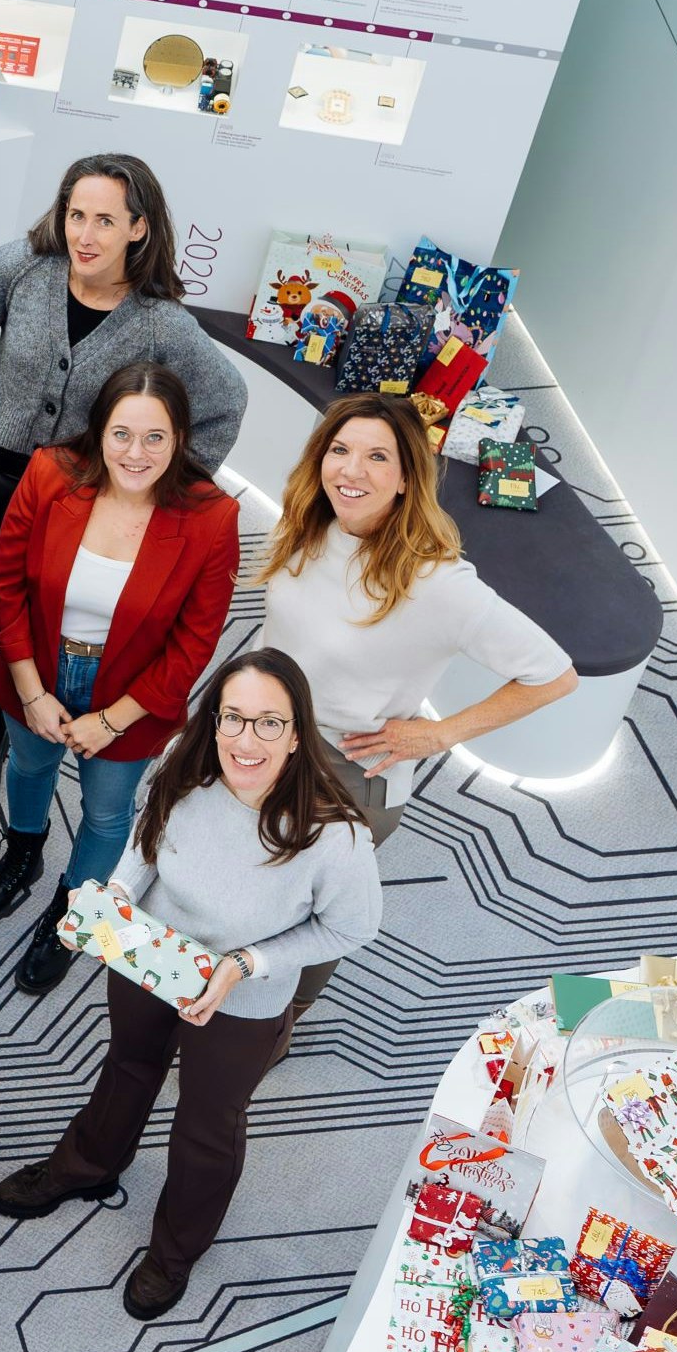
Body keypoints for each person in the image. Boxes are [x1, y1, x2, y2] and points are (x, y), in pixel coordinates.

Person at [0, 649, 381, 1322]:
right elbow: (145, 843)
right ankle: (88, 1165)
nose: (245, 740)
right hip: (150, 954)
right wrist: (112, 900)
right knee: (128, 1065)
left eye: (268, 723)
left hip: (241, 997)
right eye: (234, 718)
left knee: (207, 1124)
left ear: (296, 732)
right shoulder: (182, 763)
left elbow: (352, 928)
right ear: (215, 719)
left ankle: (175, 1250)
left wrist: (248, 962)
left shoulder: (332, 834)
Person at [0, 152, 251, 812]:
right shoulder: (24, 267)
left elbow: (224, 401)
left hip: (67, 497)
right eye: (77, 214)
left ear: (139, 228)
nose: (86, 234)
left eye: (106, 219)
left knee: (25, 609)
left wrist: (163, 486)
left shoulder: (162, 325)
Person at [257, 394, 576, 1035]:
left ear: (407, 479)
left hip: (345, 770)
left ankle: (283, 1020)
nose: (352, 469)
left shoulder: (438, 584)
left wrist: (440, 733)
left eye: (378, 457)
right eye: (341, 450)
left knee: (310, 911)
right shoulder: (309, 524)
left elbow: (554, 673)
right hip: (263, 735)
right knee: (251, 883)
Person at [0, 367, 242, 989]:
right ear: (99, 432)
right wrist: (33, 691)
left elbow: (194, 644)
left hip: (132, 690)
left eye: (155, 437)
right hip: (33, 666)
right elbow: (4, 584)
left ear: (179, 441)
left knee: (106, 810)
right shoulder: (49, 474)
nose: (135, 453)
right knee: (29, 764)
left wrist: (113, 718)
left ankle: (72, 911)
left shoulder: (210, 518)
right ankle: (22, 856)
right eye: (121, 433)